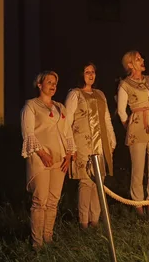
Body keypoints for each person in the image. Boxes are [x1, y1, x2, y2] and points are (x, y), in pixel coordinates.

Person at [20, 71, 75, 249]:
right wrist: (42, 154)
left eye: (55, 83)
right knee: (40, 200)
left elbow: (67, 133)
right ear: (39, 84)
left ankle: (48, 238)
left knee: (53, 200)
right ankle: (37, 243)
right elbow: (28, 133)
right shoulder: (31, 106)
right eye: (49, 82)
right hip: (41, 159)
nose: (52, 86)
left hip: (59, 159)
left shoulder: (60, 107)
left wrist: (69, 154)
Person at [65, 63, 116, 229]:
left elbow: (106, 118)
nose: (91, 75)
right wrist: (70, 145)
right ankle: (84, 222)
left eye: (93, 72)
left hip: (101, 142)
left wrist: (111, 138)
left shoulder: (100, 94)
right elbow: (67, 121)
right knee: (86, 182)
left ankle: (95, 219)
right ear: (81, 74)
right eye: (87, 72)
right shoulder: (75, 94)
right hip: (83, 143)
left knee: (99, 181)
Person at [117, 51, 149, 216]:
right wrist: (130, 125)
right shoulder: (125, 84)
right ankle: (138, 202)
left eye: (141, 58)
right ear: (130, 65)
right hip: (138, 125)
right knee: (138, 167)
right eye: (138, 59)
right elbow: (121, 111)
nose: (142, 60)